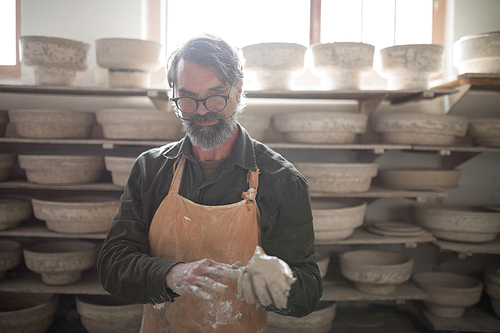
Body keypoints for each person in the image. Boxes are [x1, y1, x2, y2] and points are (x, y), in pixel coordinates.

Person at [97, 34, 323, 333]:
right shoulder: (151, 169)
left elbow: (308, 290)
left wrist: (282, 285)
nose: (202, 110)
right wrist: (170, 274)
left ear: (238, 91)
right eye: (187, 97)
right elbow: (112, 264)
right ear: (173, 95)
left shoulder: (281, 180)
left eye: (215, 95)